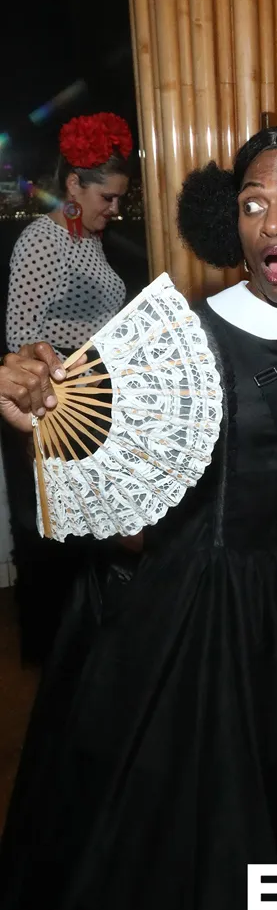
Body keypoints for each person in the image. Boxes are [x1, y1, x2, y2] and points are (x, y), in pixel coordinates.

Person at [0, 125, 277, 910]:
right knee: (177, 854)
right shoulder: (191, 335)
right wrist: (33, 412)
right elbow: (106, 486)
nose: (272, 223)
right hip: (185, 618)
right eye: (252, 205)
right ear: (229, 224)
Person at [2, 112, 132, 663]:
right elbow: (20, 335)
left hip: (88, 406)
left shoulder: (88, 241)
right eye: (108, 197)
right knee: (53, 541)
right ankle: (55, 663)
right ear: (74, 185)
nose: (116, 208)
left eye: (120, 198)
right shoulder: (43, 239)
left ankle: (86, 657)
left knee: (87, 536)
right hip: (52, 410)